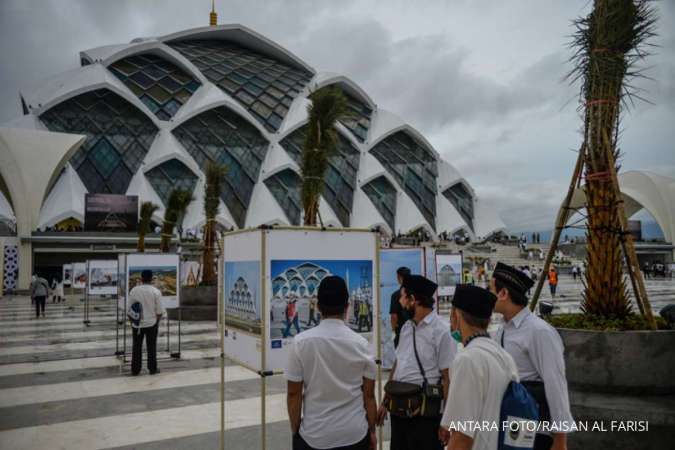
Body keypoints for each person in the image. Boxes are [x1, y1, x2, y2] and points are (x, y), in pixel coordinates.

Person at [286, 276, 377, 450]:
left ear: (319, 307)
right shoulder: (361, 344)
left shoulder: (300, 343)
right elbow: (369, 395)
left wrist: (296, 431)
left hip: (314, 435)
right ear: (347, 306)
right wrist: (371, 431)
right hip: (355, 434)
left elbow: (293, 395)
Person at [491, 263, 574, 450]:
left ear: (503, 294)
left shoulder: (539, 331)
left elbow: (555, 382)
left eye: (490, 289)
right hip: (509, 416)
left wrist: (560, 439)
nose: (488, 295)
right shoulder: (503, 329)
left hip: (531, 418)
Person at [378, 274, 455, 450]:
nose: (400, 301)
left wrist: (447, 420)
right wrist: (385, 400)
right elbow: (398, 365)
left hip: (425, 415)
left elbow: (447, 378)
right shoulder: (406, 327)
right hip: (399, 410)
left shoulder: (440, 331)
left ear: (413, 300)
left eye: (403, 297)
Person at [439, 284, 519, 450]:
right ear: (488, 321)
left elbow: (462, 437)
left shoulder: (467, 360)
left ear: (456, 315)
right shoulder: (504, 356)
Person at [127, 269, 165, 376]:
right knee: (151, 347)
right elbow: (159, 311)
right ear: (152, 278)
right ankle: (152, 368)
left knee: (136, 347)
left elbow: (129, 310)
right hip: (151, 323)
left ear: (141, 278)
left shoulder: (134, 290)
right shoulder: (155, 292)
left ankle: (135, 369)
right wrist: (156, 322)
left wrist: (132, 322)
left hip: (137, 324)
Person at [389, 267, 411, 348]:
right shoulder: (416, 294)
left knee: (401, 356)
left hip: (401, 331)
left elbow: (394, 316)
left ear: (399, 277)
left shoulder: (396, 295)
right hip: (415, 331)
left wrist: (393, 330)